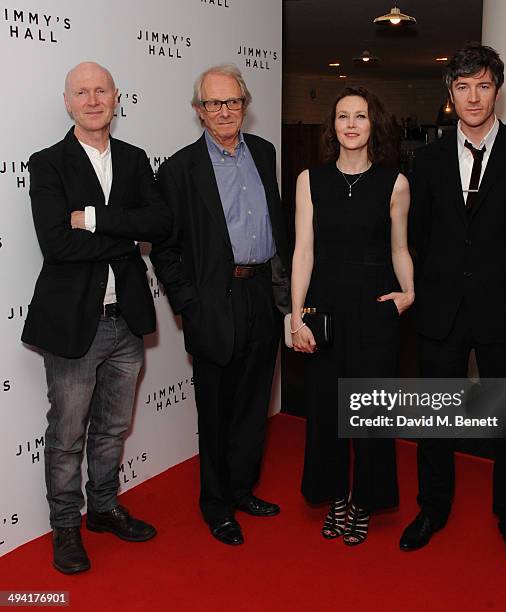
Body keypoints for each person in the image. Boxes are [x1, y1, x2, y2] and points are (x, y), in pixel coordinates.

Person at [400, 43, 506, 574]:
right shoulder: (427, 159)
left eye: (483, 85)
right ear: (451, 94)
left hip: (503, 310)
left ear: (497, 89)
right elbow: (417, 232)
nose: (473, 96)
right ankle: (432, 509)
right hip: (442, 311)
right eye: (462, 87)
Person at [22, 62, 171, 574]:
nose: (92, 99)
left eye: (100, 90)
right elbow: (57, 244)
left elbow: (160, 222)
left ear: (115, 97)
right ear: (68, 102)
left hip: (125, 320)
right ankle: (66, 525)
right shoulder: (48, 163)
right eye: (81, 92)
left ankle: (104, 509)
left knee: (112, 428)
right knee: (67, 434)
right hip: (73, 324)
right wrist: (126, 237)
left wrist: (95, 219)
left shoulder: (134, 159)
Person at [150, 64, 290, 546]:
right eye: (213, 103)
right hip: (213, 299)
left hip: (261, 295)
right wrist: (188, 303)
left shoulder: (266, 153)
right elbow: (165, 248)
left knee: (254, 403)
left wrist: (285, 291)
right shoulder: (179, 168)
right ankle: (215, 505)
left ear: (245, 105)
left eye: (232, 102)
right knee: (215, 409)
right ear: (199, 111)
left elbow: (279, 226)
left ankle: (242, 489)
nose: (224, 111)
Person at [291, 87, 413, 545]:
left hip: (375, 309)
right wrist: (297, 315)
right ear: (333, 125)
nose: (351, 124)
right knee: (326, 409)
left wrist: (410, 293)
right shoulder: (310, 180)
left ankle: (365, 500)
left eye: (360, 115)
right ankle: (336, 497)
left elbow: (400, 247)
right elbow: (303, 251)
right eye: (343, 115)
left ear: (371, 124)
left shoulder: (394, 183)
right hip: (325, 306)